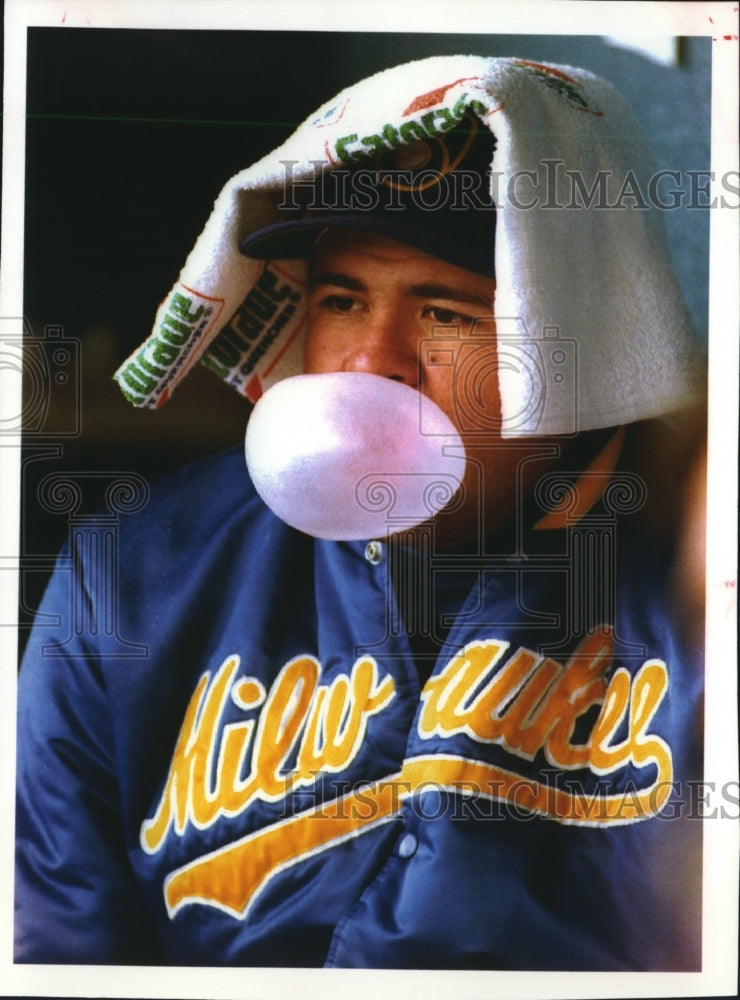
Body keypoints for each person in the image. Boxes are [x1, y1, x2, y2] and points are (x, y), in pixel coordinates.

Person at [15, 54, 706, 970]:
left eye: (448, 312)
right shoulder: (135, 568)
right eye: (342, 299)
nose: (371, 362)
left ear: (576, 338)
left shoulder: (700, 578)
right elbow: (55, 939)